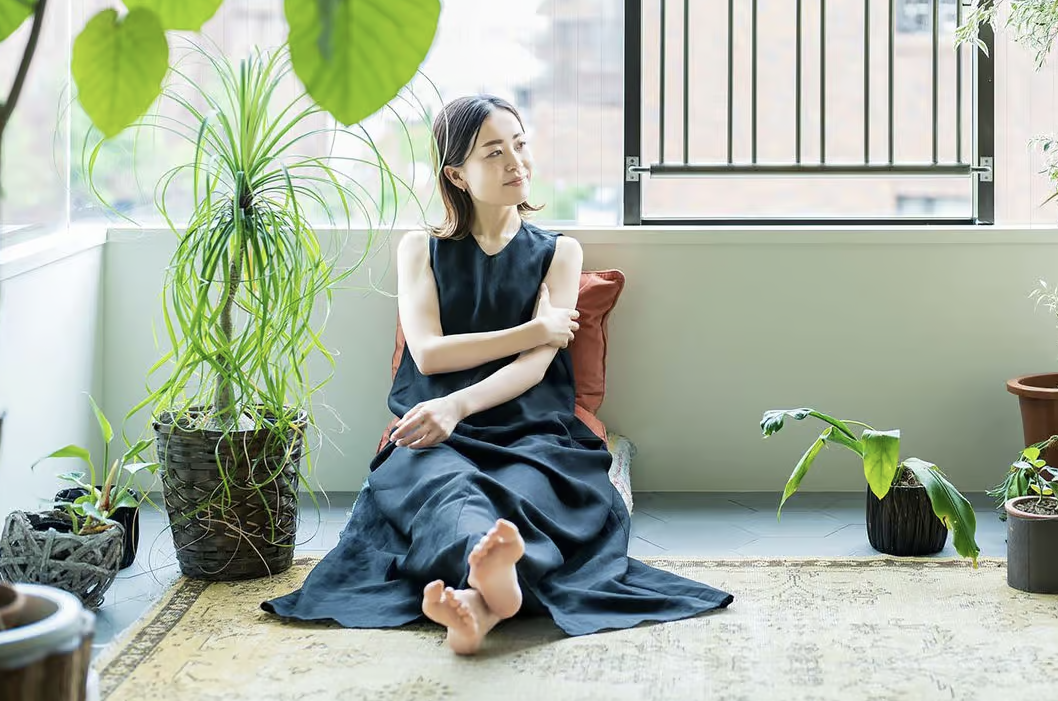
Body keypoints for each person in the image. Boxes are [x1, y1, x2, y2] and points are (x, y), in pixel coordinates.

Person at [262, 94, 733, 653]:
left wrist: (461, 402)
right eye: (494, 152)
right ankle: (490, 593)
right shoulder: (420, 249)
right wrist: (532, 332)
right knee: (453, 491)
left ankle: (482, 605)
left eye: (520, 144)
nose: (517, 162)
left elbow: (535, 373)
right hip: (434, 432)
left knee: (525, 495)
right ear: (456, 175)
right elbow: (431, 354)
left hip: (535, 431)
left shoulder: (559, 253)